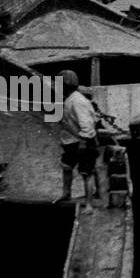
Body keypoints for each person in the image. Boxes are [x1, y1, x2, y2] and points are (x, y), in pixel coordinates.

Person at [57, 71, 100, 204]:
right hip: (73, 141)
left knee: (87, 172)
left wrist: (83, 142)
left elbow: (86, 124)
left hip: (83, 142)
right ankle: (66, 194)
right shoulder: (71, 98)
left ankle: (88, 204)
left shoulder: (77, 101)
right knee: (66, 166)